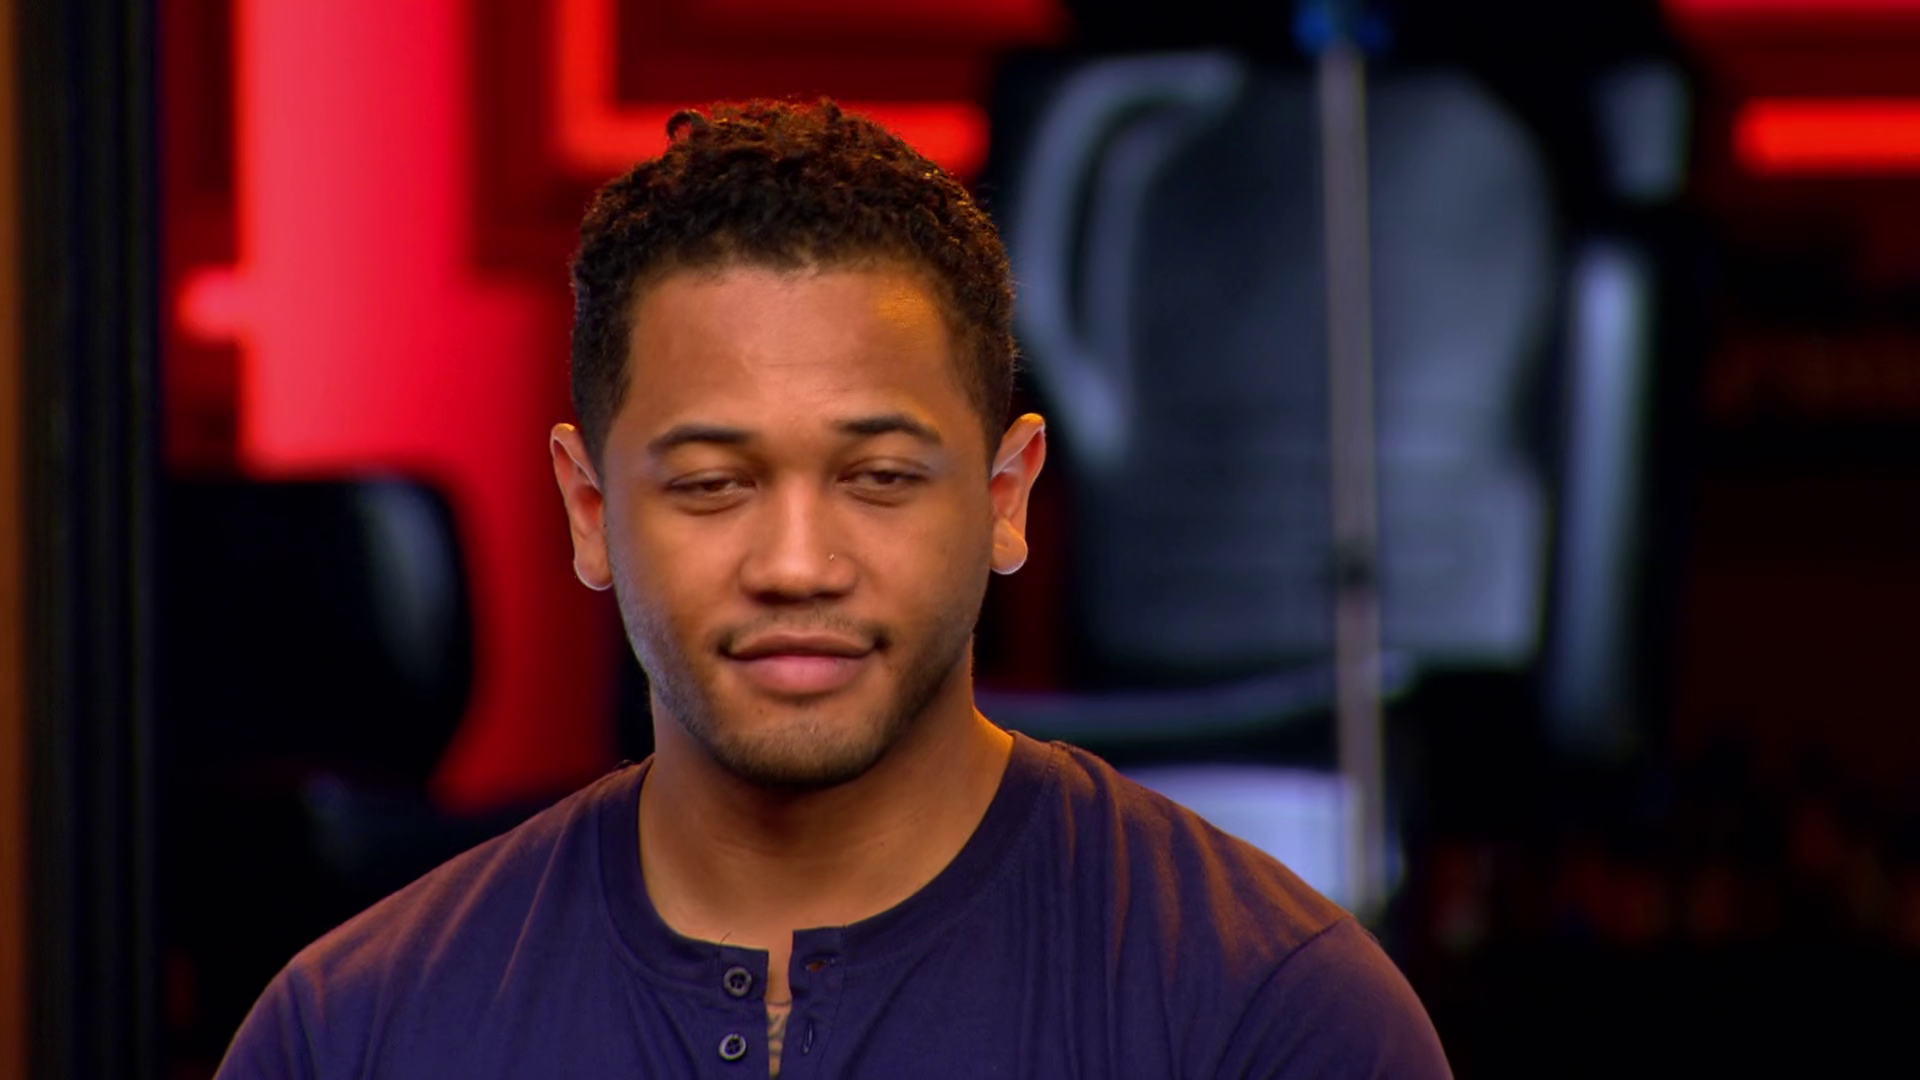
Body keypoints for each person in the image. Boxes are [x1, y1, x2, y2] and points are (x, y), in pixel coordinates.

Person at [215, 99, 1451, 1078]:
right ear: (590, 512)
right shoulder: (358, 1032)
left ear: (1006, 497)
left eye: (879, 478)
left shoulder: (1266, 1016)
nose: (797, 564)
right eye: (713, 484)